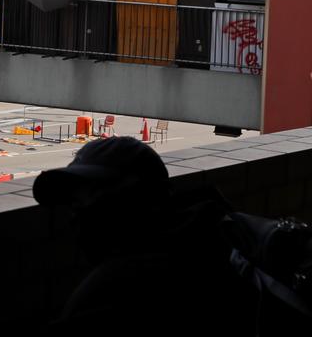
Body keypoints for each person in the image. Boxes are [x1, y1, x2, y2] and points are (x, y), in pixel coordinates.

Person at [33, 137, 253, 330]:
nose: (74, 214)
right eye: (72, 202)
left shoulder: (117, 288)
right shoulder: (216, 240)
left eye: (86, 199)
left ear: (130, 200)